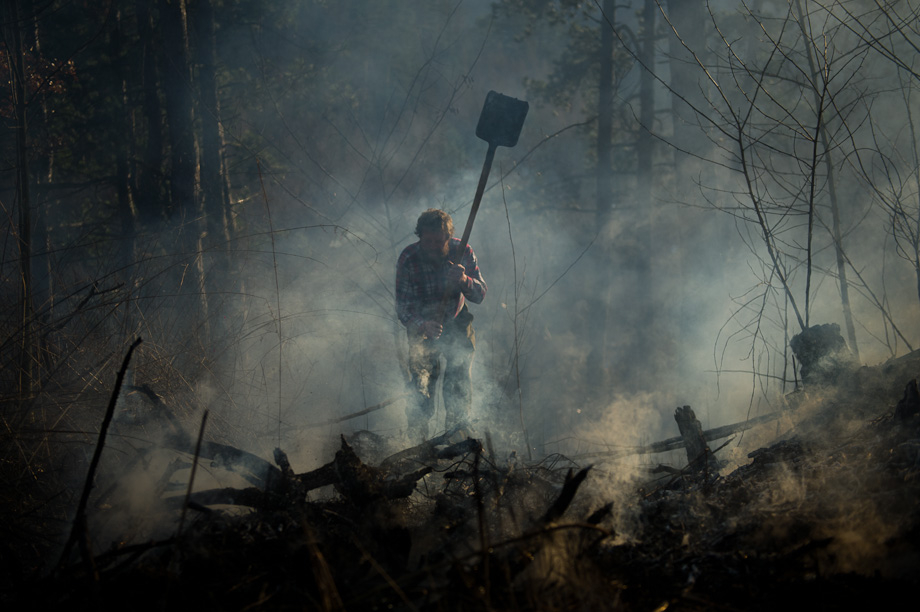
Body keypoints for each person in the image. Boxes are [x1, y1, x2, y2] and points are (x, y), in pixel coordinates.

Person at [396, 209, 487, 443]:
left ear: (448, 237)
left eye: (440, 241)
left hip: (456, 321)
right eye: (428, 241)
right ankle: (417, 445)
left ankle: (457, 441)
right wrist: (423, 325)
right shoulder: (409, 258)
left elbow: (480, 294)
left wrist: (464, 280)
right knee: (421, 387)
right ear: (420, 237)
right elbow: (403, 308)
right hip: (422, 326)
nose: (434, 246)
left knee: (458, 383)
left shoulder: (462, 250)